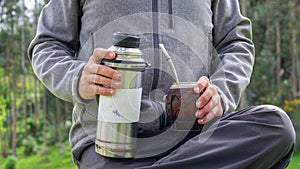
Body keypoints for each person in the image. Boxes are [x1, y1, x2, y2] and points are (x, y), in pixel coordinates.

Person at [28, 0, 295, 168]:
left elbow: (236, 43)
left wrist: (221, 93)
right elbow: (47, 44)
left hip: (198, 137)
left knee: (275, 127)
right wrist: (77, 78)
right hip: (109, 141)